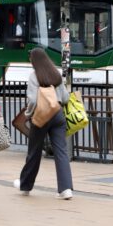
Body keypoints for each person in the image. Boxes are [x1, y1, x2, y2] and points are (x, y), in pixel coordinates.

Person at [13, 47, 73, 200]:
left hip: (41, 116)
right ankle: (65, 189)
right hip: (58, 115)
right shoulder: (55, 73)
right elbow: (65, 98)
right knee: (61, 152)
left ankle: (25, 186)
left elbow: (32, 100)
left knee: (34, 151)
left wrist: (28, 114)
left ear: (34, 60)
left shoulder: (34, 77)